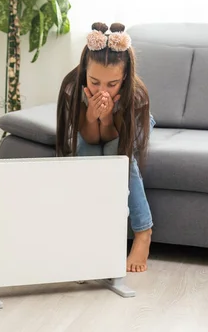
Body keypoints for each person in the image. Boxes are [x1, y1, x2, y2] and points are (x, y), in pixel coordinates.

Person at [55, 21, 155, 273]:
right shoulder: (72, 88)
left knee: (120, 160)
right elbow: (88, 139)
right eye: (95, 82)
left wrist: (108, 118)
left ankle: (143, 232)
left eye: (112, 84)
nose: (103, 91)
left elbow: (116, 142)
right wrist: (91, 116)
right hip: (88, 129)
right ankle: (90, 238)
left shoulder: (136, 96)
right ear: (84, 71)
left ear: (124, 78)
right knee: (88, 156)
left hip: (127, 131)